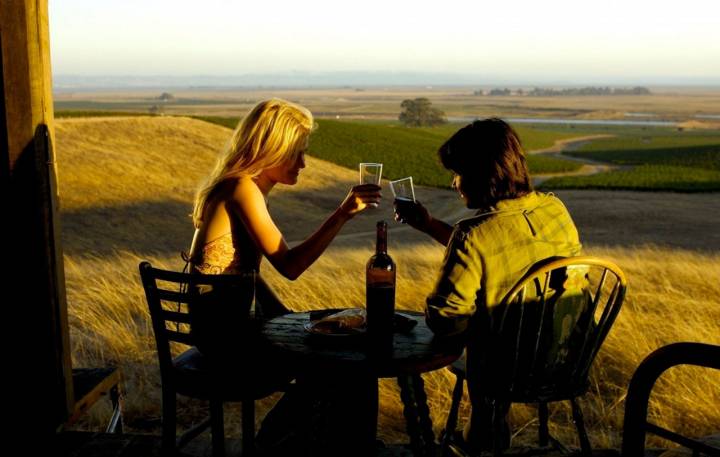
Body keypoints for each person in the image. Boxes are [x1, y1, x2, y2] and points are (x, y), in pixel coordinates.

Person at [185, 98, 382, 455]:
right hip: (225, 339)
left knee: (336, 352)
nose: (304, 163)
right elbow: (290, 267)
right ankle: (283, 443)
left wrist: (289, 319)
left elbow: (244, 276)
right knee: (346, 361)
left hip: (220, 329)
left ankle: (309, 441)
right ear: (270, 149)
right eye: (296, 153)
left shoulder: (241, 187)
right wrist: (341, 215)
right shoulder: (242, 188)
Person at [394, 118, 582, 453]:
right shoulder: (555, 208)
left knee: (484, 342)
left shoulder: (473, 234)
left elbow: (446, 320)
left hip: (503, 370)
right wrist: (430, 226)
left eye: (459, 172)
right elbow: (501, 246)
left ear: (481, 173)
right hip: (563, 356)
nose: (455, 183)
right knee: (502, 329)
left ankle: (480, 439)